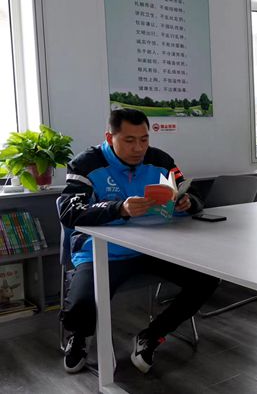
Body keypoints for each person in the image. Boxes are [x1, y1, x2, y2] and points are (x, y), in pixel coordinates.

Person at [57, 108, 219, 375]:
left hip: (154, 249)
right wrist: (118, 208)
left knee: (208, 279)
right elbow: (70, 211)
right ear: (109, 138)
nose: (139, 148)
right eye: (129, 140)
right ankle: (80, 336)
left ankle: (152, 335)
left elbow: (193, 193)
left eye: (144, 139)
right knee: (81, 305)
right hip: (103, 253)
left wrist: (188, 202)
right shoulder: (86, 164)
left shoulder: (160, 160)